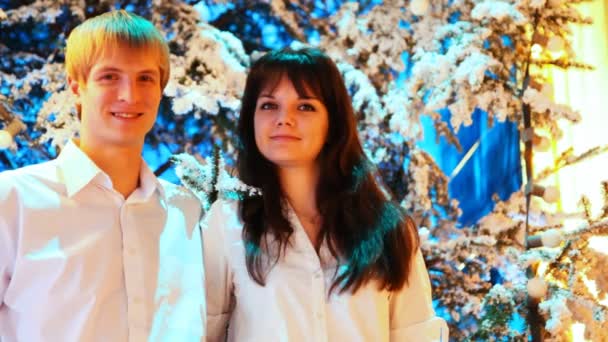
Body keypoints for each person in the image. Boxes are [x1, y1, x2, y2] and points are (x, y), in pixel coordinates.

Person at [202, 47, 448, 341]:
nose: (284, 118)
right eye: (268, 105)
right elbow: (201, 331)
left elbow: (416, 335)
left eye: (305, 106)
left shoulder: (388, 229)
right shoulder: (227, 222)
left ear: (333, 122)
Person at [0, 10, 205, 341]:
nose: (130, 95)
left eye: (145, 78)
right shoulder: (13, 201)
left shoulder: (186, 214)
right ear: (76, 87)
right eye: (110, 76)